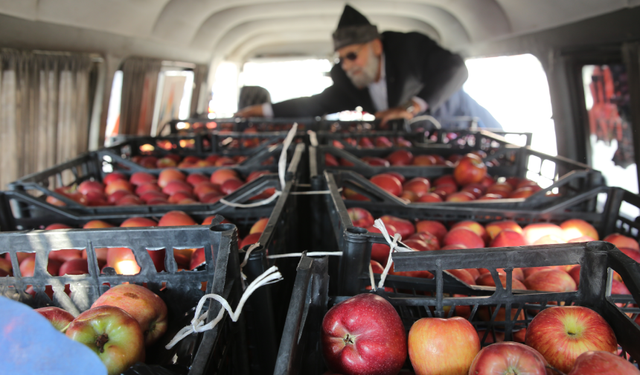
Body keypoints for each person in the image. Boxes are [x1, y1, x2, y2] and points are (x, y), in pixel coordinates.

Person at [235, 4, 468, 126]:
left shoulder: (407, 48)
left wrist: (411, 107)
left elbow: (455, 69)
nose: (346, 65)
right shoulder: (349, 82)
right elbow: (314, 105)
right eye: (341, 58)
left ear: (376, 47)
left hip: (453, 121)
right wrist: (265, 110)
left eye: (352, 55)